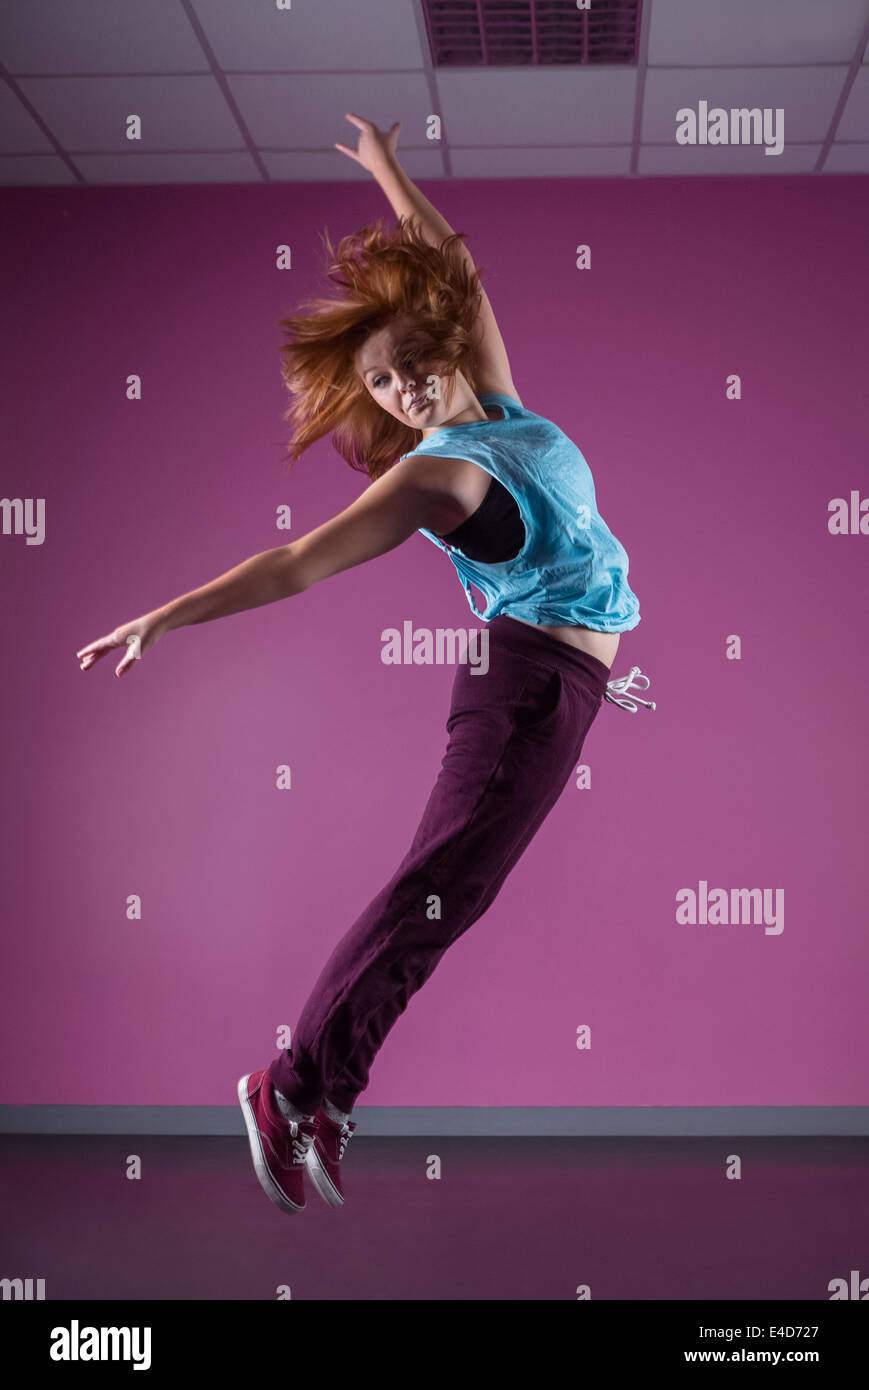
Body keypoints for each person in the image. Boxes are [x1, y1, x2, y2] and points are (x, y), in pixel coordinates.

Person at [75, 114, 654, 1219]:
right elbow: (294, 562)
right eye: (381, 389)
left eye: (406, 370)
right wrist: (163, 616)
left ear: (440, 351)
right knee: (431, 894)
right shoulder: (440, 476)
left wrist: (388, 167)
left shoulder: (507, 413)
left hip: (563, 693)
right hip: (525, 693)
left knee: (451, 896)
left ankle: (318, 1092)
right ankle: (291, 1086)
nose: (398, 395)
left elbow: (458, 268)